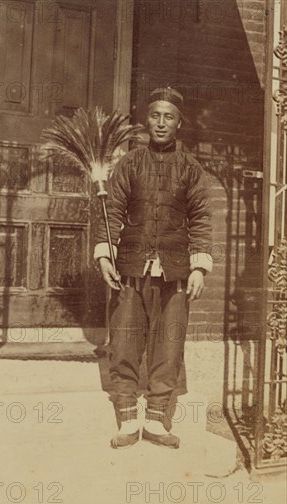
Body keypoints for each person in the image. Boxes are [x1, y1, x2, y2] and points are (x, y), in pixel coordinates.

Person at [94, 87, 213, 449]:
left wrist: (198, 268)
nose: (161, 123)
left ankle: (158, 418)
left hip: (175, 272)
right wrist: (104, 255)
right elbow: (112, 211)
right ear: (147, 120)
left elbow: (201, 219)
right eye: (156, 116)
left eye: (169, 117)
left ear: (179, 123)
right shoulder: (130, 164)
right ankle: (128, 417)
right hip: (131, 269)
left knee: (168, 344)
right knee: (126, 342)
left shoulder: (191, 169)